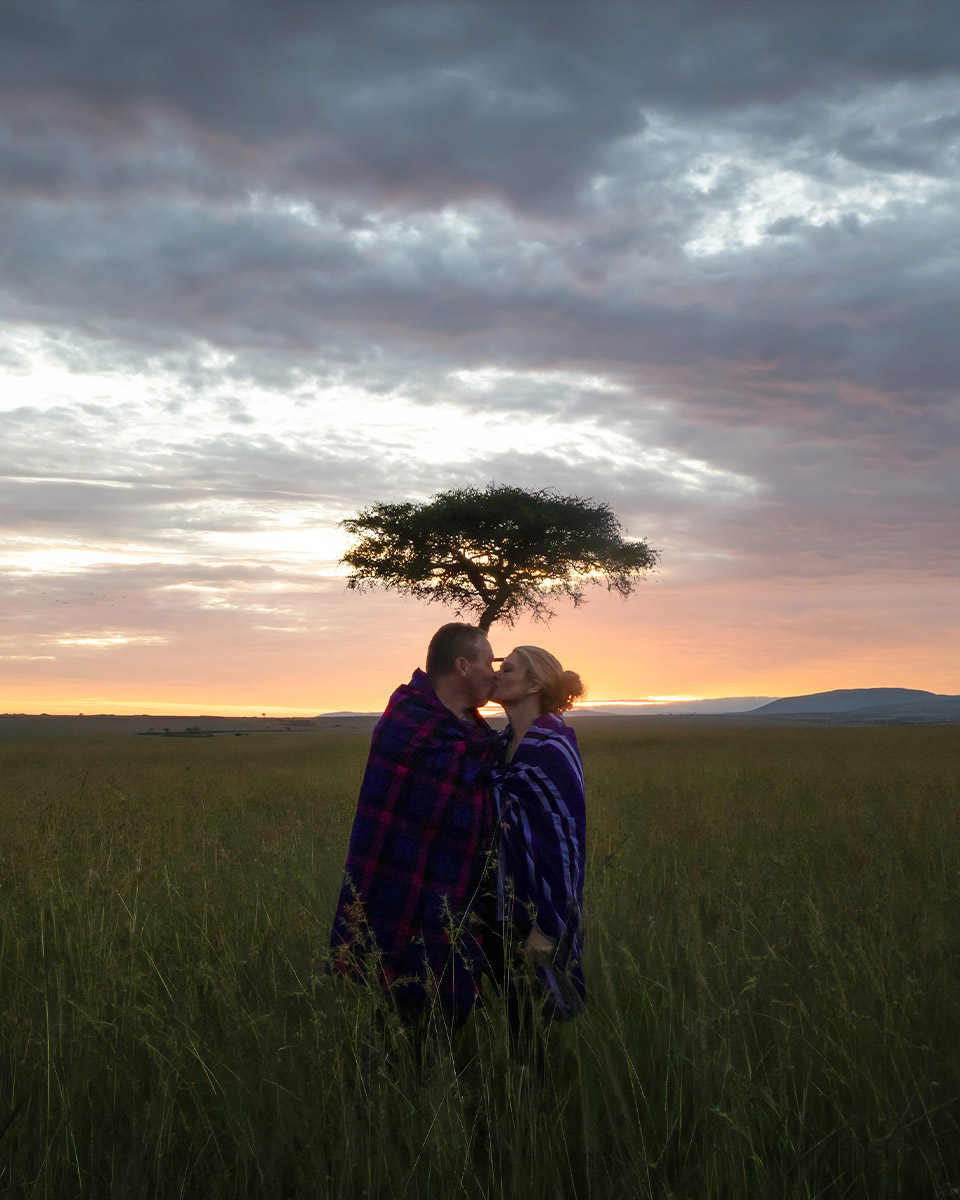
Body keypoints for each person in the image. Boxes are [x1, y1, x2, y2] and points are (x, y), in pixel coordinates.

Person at [329, 622, 500, 1031]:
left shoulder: (473, 730)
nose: (494, 673)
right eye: (489, 662)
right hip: (402, 895)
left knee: (447, 1029)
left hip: (457, 905)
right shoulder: (410, 723)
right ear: (461, 665)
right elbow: (397, 821)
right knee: (400, 1028)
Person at [488, 645, 587, 1032]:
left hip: (539, 910)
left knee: (532, 1032)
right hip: (496, 905)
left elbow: (568, 845)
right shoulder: (496, 747)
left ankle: (536, 1093)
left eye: (508, 669)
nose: (497, 674)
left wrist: (548, 926)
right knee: (510, 1018)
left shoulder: (552, 747)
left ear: (533, 685)